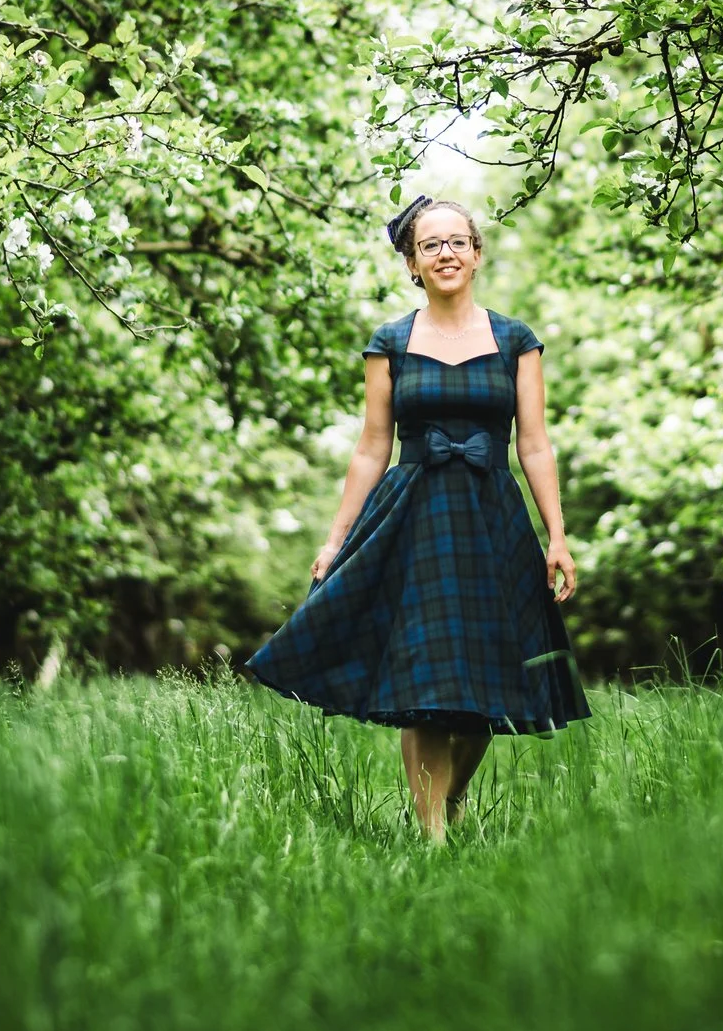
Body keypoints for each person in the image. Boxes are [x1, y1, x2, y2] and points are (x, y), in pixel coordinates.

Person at [244, 195, 590, 841]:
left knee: (489, 680)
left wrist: (558, 536)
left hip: (494, 520)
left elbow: (534, 443)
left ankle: (452, 799)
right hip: (415, 520)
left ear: (478, 253)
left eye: (457, 241)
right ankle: (431, 837)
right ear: (412, 263)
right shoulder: (391, 341)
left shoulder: (516, 339)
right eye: (430, 245)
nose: (446, 253)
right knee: (426, 675)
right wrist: (335, 537)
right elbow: (372, 445)